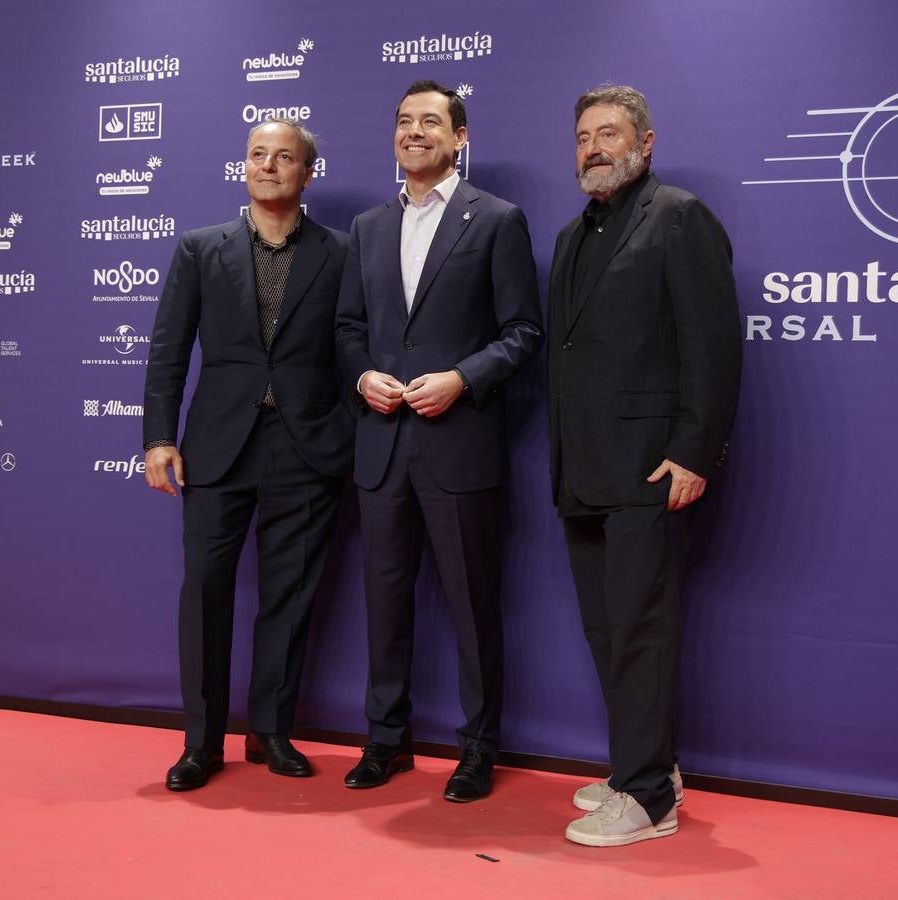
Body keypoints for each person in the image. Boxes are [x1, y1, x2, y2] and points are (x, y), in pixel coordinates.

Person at [334, 80, 542, 802]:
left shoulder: (497, 221)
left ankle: (478, 748)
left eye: (430, 121)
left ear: (459, 139)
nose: (413, 132)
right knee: (384, 605)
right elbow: (347, 330)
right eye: (402, 122)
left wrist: (461, 377)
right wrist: (362, 376)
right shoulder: (365, 228)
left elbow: (523, 332)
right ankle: (385, 740)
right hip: (381, 446)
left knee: (471, 606)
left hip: (459, 446)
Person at [547, 85, 741, 845]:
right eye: (583, 136)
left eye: (609, 133)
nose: (594, 147)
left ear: (646, 142)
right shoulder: (571, 235)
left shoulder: (679, 218)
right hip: (581, 471)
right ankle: (645, 764)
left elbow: (713, 345)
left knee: (640, 631)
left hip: (649, 470)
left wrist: (693, 450)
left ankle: (648, 799)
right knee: (607, 630)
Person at [142, 118, 352, 791]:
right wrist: (157, 437)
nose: (267, 165)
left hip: (307, 446)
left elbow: (353, 349)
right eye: (257, 154)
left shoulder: (340, 253)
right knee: (204, 592)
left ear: (306, 174)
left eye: (283, 156)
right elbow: (168, 352)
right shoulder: (200, 249)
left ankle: (270, 731)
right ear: (243, 167)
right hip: (216, 447)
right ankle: (201, 743)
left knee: (288, 598)